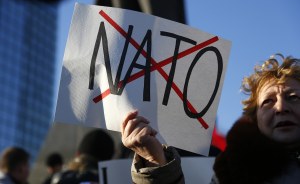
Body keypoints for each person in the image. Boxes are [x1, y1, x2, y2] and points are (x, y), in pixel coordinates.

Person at [121, 54, 300, 184]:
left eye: (293, 97)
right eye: (268, 101)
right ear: (255, 118)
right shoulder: (229, 173)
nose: (281, 108)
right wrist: (154, 160)